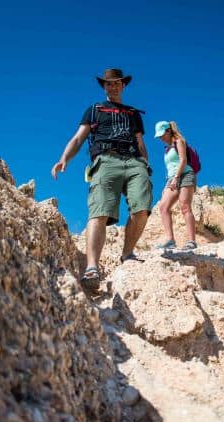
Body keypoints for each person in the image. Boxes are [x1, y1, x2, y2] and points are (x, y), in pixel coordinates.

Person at [51, 68, 153, 289]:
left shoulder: (133, 113)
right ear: (104, 86)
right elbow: (79, 138)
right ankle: (91, 268)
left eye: (117, 83)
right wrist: (64, 158)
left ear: (123, 85)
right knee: (99, 212)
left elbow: (141, 143)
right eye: (108, 83)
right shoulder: (94, 110)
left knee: (142, 208)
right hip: (105, 161)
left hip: (134, 161)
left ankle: (127, 254)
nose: (113, 86)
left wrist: (145, 163)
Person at [153, 120, 197, 251]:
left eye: (162, 134)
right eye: (159, 136)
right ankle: (170, 240)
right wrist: (167, 184)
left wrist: (176, 178)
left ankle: (191, 241)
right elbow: (170, 167)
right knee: (163, 207)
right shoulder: (167, 149)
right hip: (172, 178)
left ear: (168, 131)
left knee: (185, 206)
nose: (161, 138)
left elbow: (183, 160)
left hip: (185, 175)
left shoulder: (179, 141)